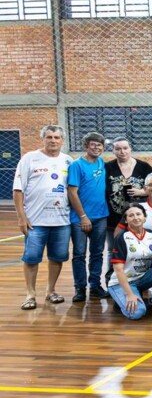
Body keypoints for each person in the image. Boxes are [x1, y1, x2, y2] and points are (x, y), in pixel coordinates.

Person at [14, 125, 74, 310]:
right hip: (35, 222)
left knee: (57, 258)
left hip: (62, 220)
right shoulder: (29, 159)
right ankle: (30, 294)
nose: (53, 140)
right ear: (43, 139)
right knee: (31, 258)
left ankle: (51, 291)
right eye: (49, 137)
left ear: (62, 140)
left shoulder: (68, 161)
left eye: (57, 137)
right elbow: (18, 190)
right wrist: (22, 217)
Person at [67, 132, 109, 303]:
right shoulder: (76, 165)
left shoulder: (102, 163)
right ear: (85, 146)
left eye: (100, 145)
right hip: (80, 219)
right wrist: (83, 216)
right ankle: (80, 287)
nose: (96, 148)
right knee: (79, 254)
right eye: (93, 145)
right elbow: (72, 192)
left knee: (97, 253)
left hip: (101, 216)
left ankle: (95, 285)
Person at [108, 204, 152, 320]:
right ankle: (122, 296)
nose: (135, 217)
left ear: (144, 217)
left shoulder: (151, 235)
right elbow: (118, 270)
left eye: (138, 214)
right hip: (121, 282)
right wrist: (129, 294)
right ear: (126, 220)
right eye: (131, 215)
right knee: (137, 313)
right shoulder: (122, 237)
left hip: (142, 277)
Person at [106, 137, 152, 267]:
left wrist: (142, 192)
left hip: (138, 217)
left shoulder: (144, 167)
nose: (122, 151)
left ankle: (139, 280)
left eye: (125, 148)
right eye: (118, 149)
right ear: (113, 151)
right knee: (114, 249)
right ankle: (112, 279)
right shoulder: (108, 167)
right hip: (114, 217)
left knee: (140, 248)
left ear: (130, 149)